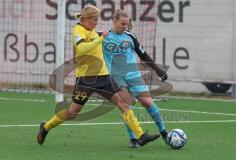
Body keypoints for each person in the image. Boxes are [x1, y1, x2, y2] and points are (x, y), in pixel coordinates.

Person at [37, 5, 160, 147]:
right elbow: (82, 49)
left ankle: (140, 136)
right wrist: (100, 39)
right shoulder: (78, 30)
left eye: (97, 20)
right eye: (94, 20)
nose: (96, 23)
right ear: (86, 19)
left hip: (103, 77)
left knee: (123, 103)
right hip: (86, 79)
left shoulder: (93, 31)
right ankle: (46, 127)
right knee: (73, 112)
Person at [102, 9, 169, 148]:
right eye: (122, 24)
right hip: (117, 77)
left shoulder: (130, 36)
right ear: (114, 21)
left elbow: (143, 55)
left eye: (127, 24)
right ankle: (134, 139)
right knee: (125, 106)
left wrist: (158, 70)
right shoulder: (103, 36)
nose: (125, 26)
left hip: (134, 75)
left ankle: (164, 134)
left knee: (148, 103)